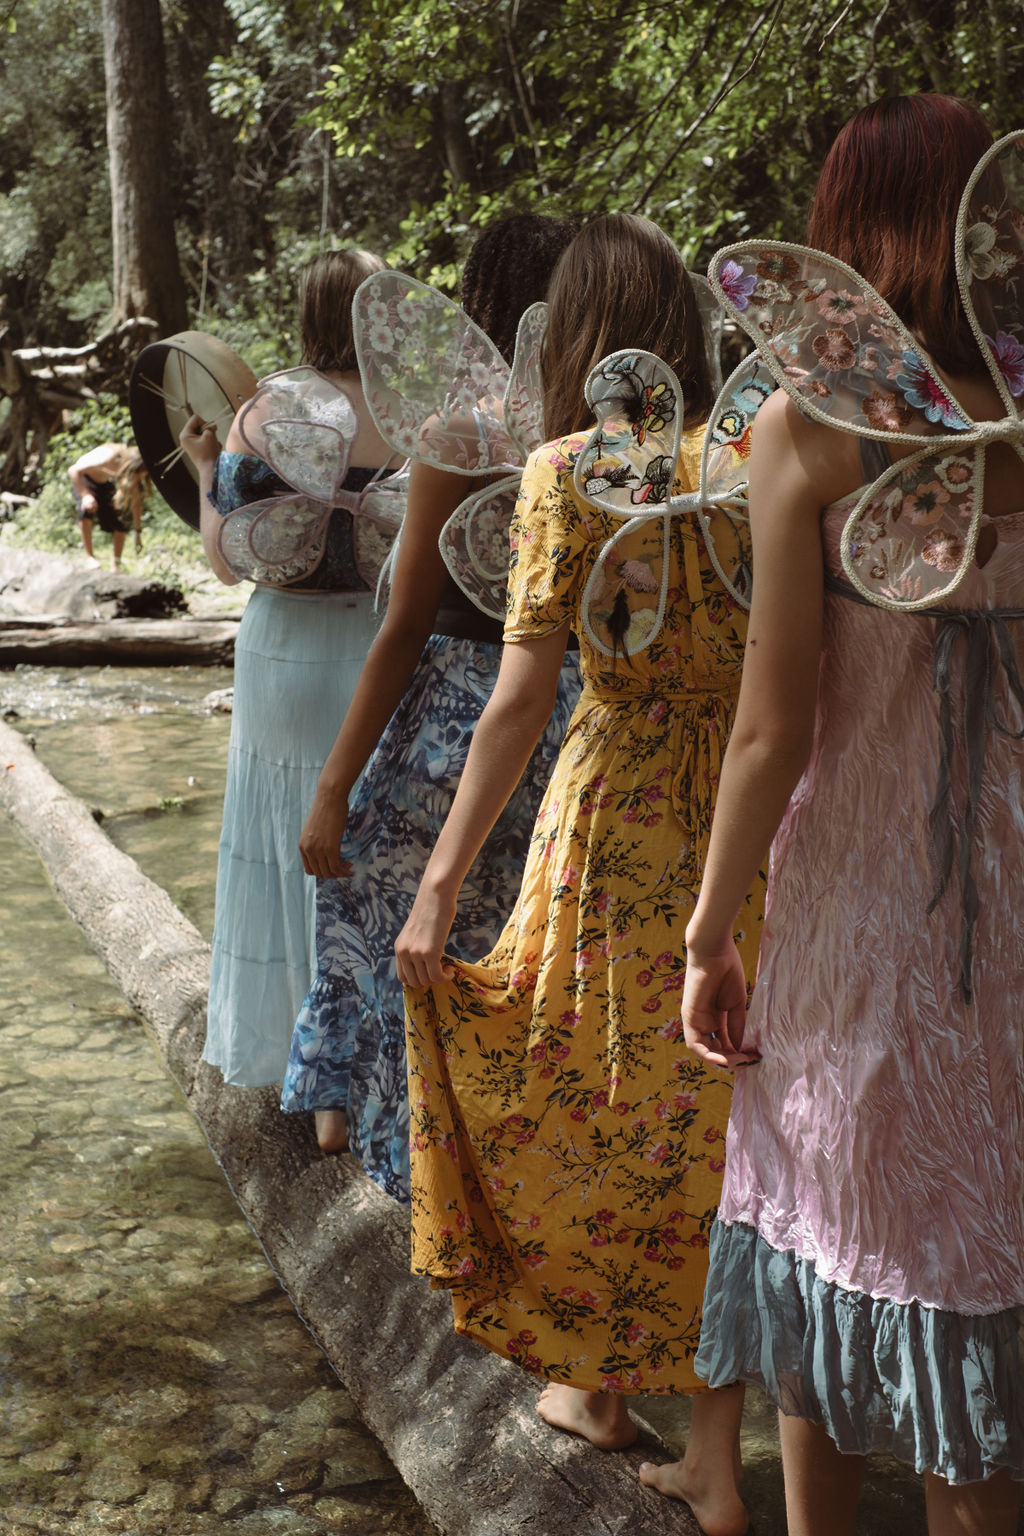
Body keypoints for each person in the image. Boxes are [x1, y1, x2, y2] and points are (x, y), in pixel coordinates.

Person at [680, 96, 1024, 1536]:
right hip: (1009, 907)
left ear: (850, 230)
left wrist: (708, 926)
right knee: (978, 1275)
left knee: (829, 1267)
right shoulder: (1021, 411)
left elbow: (772, 726)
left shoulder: (807, 429)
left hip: (861, 914)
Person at [395, 214, 765, 1536]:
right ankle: (717, 1456)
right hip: (747, 819)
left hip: (615, 818)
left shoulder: (568, 470)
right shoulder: (751, 459)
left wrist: (442, 881)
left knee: (598, 1088)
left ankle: (602, 1395)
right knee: (722, 1125)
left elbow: (518, 700)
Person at [281, 214, 581, 1179]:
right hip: (569, 719)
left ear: (479, 299)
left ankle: (390, 1168)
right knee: (508, 962)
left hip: (453, 718)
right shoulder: (600, 430)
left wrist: (335, 785)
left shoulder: (464, 428)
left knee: (386, 938)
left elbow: (406, 622)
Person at [179, 248, 398, 1088]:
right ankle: (374, 1070)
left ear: (307, 315)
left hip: (283, 650)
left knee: (280, 842)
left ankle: (291, 1065)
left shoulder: (262, 414)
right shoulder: (407, 415)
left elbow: (227, 564)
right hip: (383, 644)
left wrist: (206, 471)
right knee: (369, 848)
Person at [68, 443, 148, 569]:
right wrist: (85, 496)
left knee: (120, 523)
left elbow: (136, 502)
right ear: (131, 467)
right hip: (84, 479)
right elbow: (73, 470)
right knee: (87, 511)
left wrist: (138, 533)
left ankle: (116, 564)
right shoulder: (107, 457)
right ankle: (89, 557)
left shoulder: (129, 468)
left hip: (103, 483)